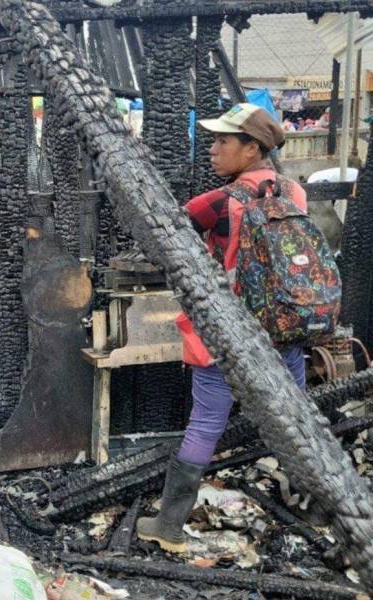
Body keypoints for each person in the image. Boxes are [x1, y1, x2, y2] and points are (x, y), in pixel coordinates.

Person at [136, 103, 306, 553]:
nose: (211, 149)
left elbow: (163, 238)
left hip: (226, 332)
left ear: (252, 149)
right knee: (295, 417)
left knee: (207, 422)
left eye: (222, 141)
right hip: (284, 327)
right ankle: (312, 504)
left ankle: (169, 525)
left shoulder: (219, 201)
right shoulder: (294, 192)